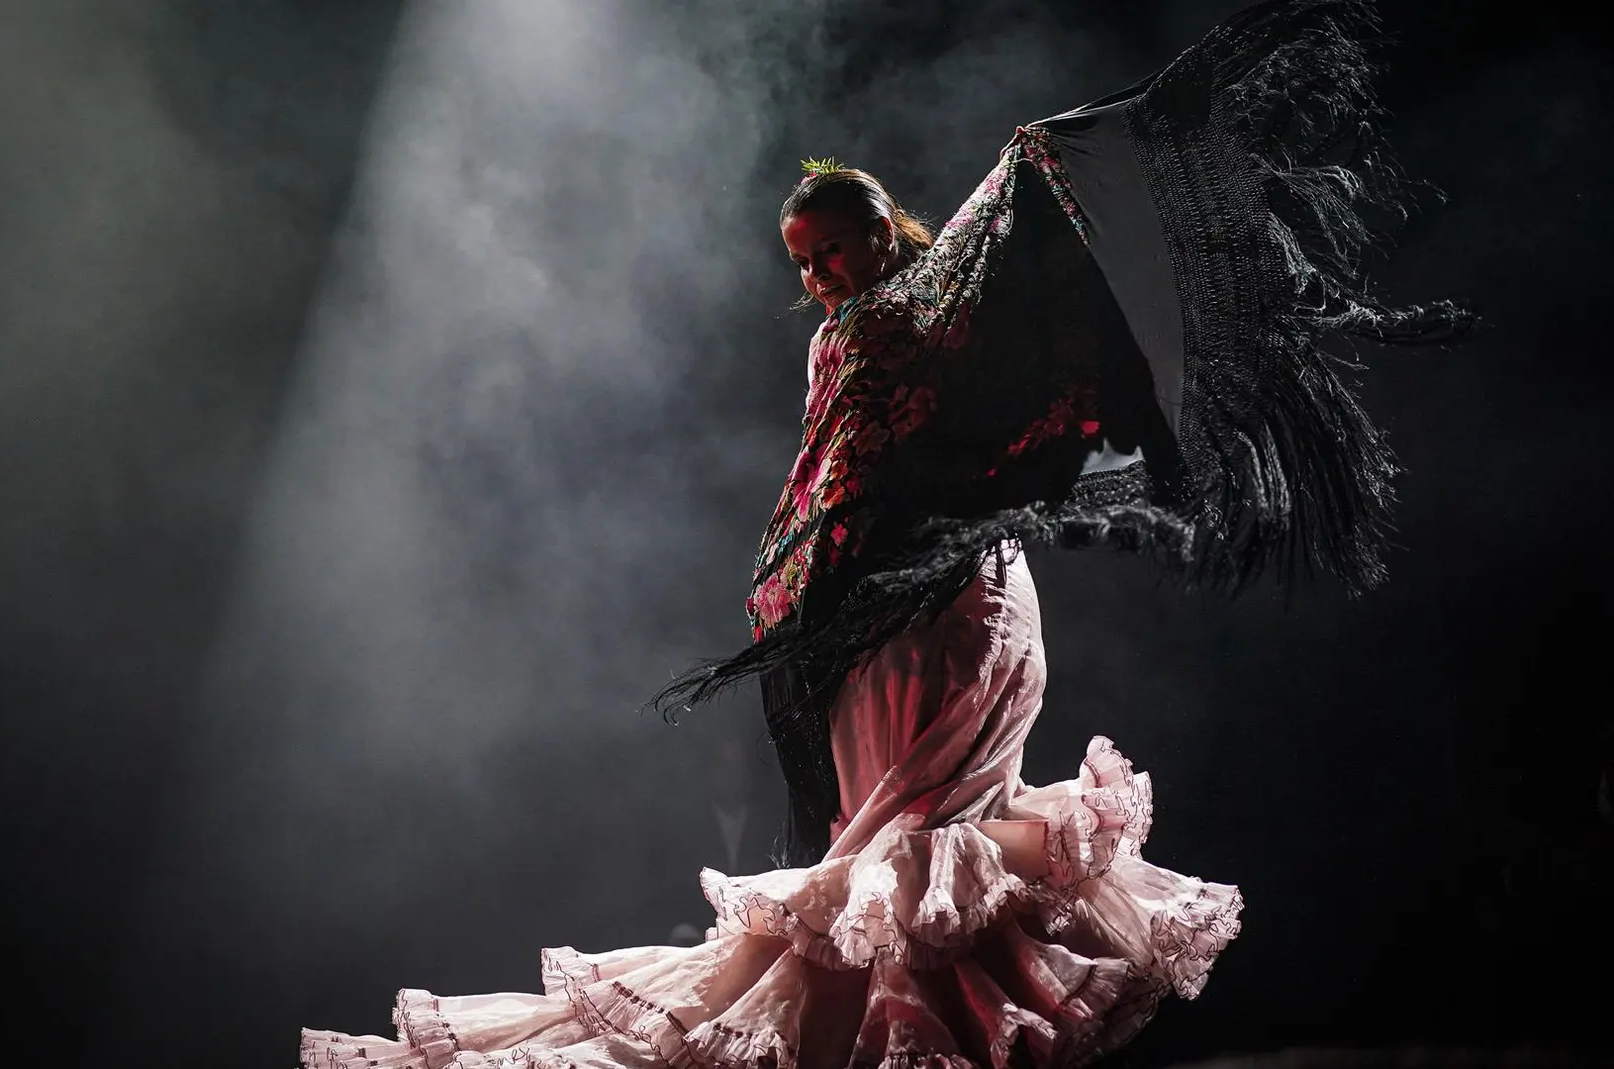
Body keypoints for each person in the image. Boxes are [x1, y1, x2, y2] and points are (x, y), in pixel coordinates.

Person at [299, 2, 1470, 1066]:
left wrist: (1112, 152)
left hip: (949, 597)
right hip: (901, 597)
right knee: (902, 838)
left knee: (927, 829)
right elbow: (833, 474)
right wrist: (801, 600)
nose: (818, 275)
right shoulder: (869, 333)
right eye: (802, 263)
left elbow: (997, 244)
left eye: (832, 249)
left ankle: (914, 1037)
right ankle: (904, 1036)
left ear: (879, 229)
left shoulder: (926, 308)